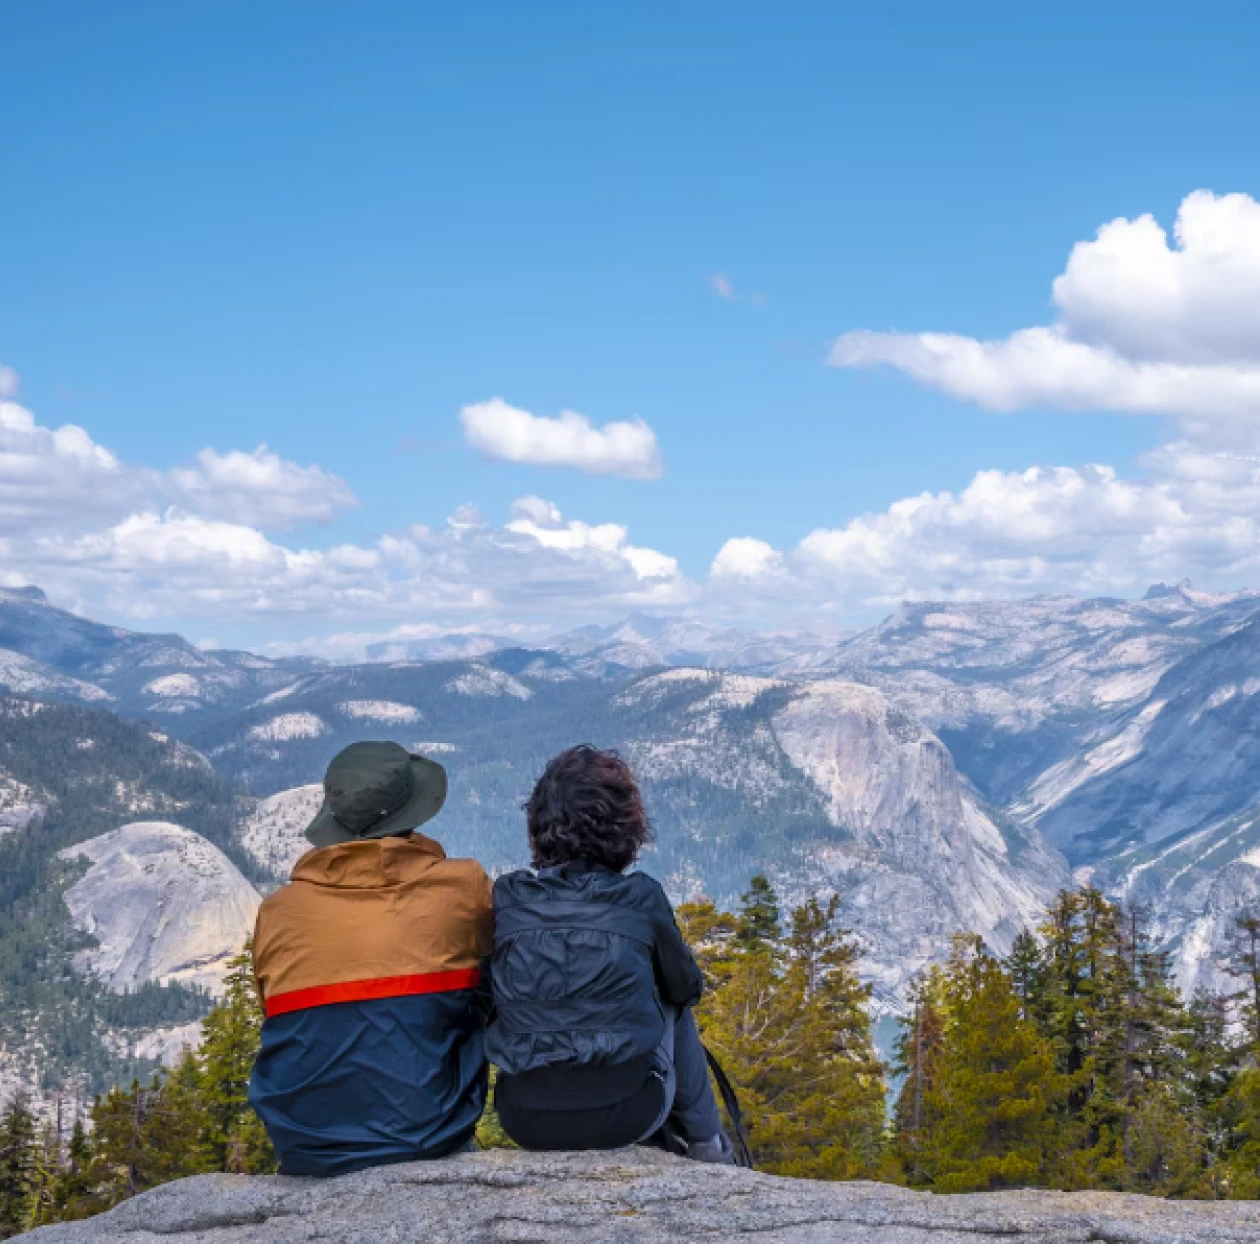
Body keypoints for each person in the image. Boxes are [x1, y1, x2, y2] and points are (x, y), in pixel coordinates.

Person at [249, 741, 492, 1177]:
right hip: (429, 1138)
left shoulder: (278, 912)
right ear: (412, 812)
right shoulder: (465, 888)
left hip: (305, 1146)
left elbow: (276, 1013)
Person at [485, 744, 734, 1162]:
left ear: (538, 825)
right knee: (672, 996)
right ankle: (707, 1146)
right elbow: (687, 987)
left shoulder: (509, 900)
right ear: (626, 828)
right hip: (630, 1110)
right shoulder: (640, 898)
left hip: (523, 1113)